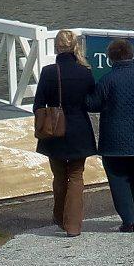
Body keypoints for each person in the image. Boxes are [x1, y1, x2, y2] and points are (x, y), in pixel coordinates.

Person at [86, 37, 134, 232]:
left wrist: (83, 92)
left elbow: (92, 104)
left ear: (110, 58)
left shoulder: (107, 80)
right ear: (132, 55)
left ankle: (128, 219)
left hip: (113, 141)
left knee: (118, 179)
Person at [32, 29, 97, 236]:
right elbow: (92, 102)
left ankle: (60, 217)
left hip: (54, 131)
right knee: (76, 176)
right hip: (79, 130)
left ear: (56, 48)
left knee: (59, 176)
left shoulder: (49, 72)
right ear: (75, 46)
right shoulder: (85, 72)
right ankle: (73, 225)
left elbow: (38, 105)